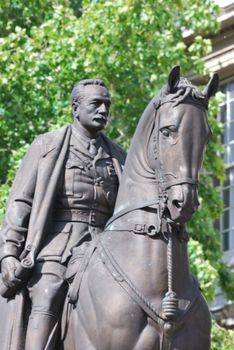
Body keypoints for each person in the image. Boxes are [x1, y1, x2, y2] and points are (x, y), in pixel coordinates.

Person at [0, 79, 126, 350]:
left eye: (107, 104)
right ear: (75, 108)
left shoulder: (119, 156)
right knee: (48, 292)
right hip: (59, 244)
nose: (103, 110)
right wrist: (9, 253)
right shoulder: (47, 145)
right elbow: (20, 202)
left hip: (106, 246)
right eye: (96, 104)